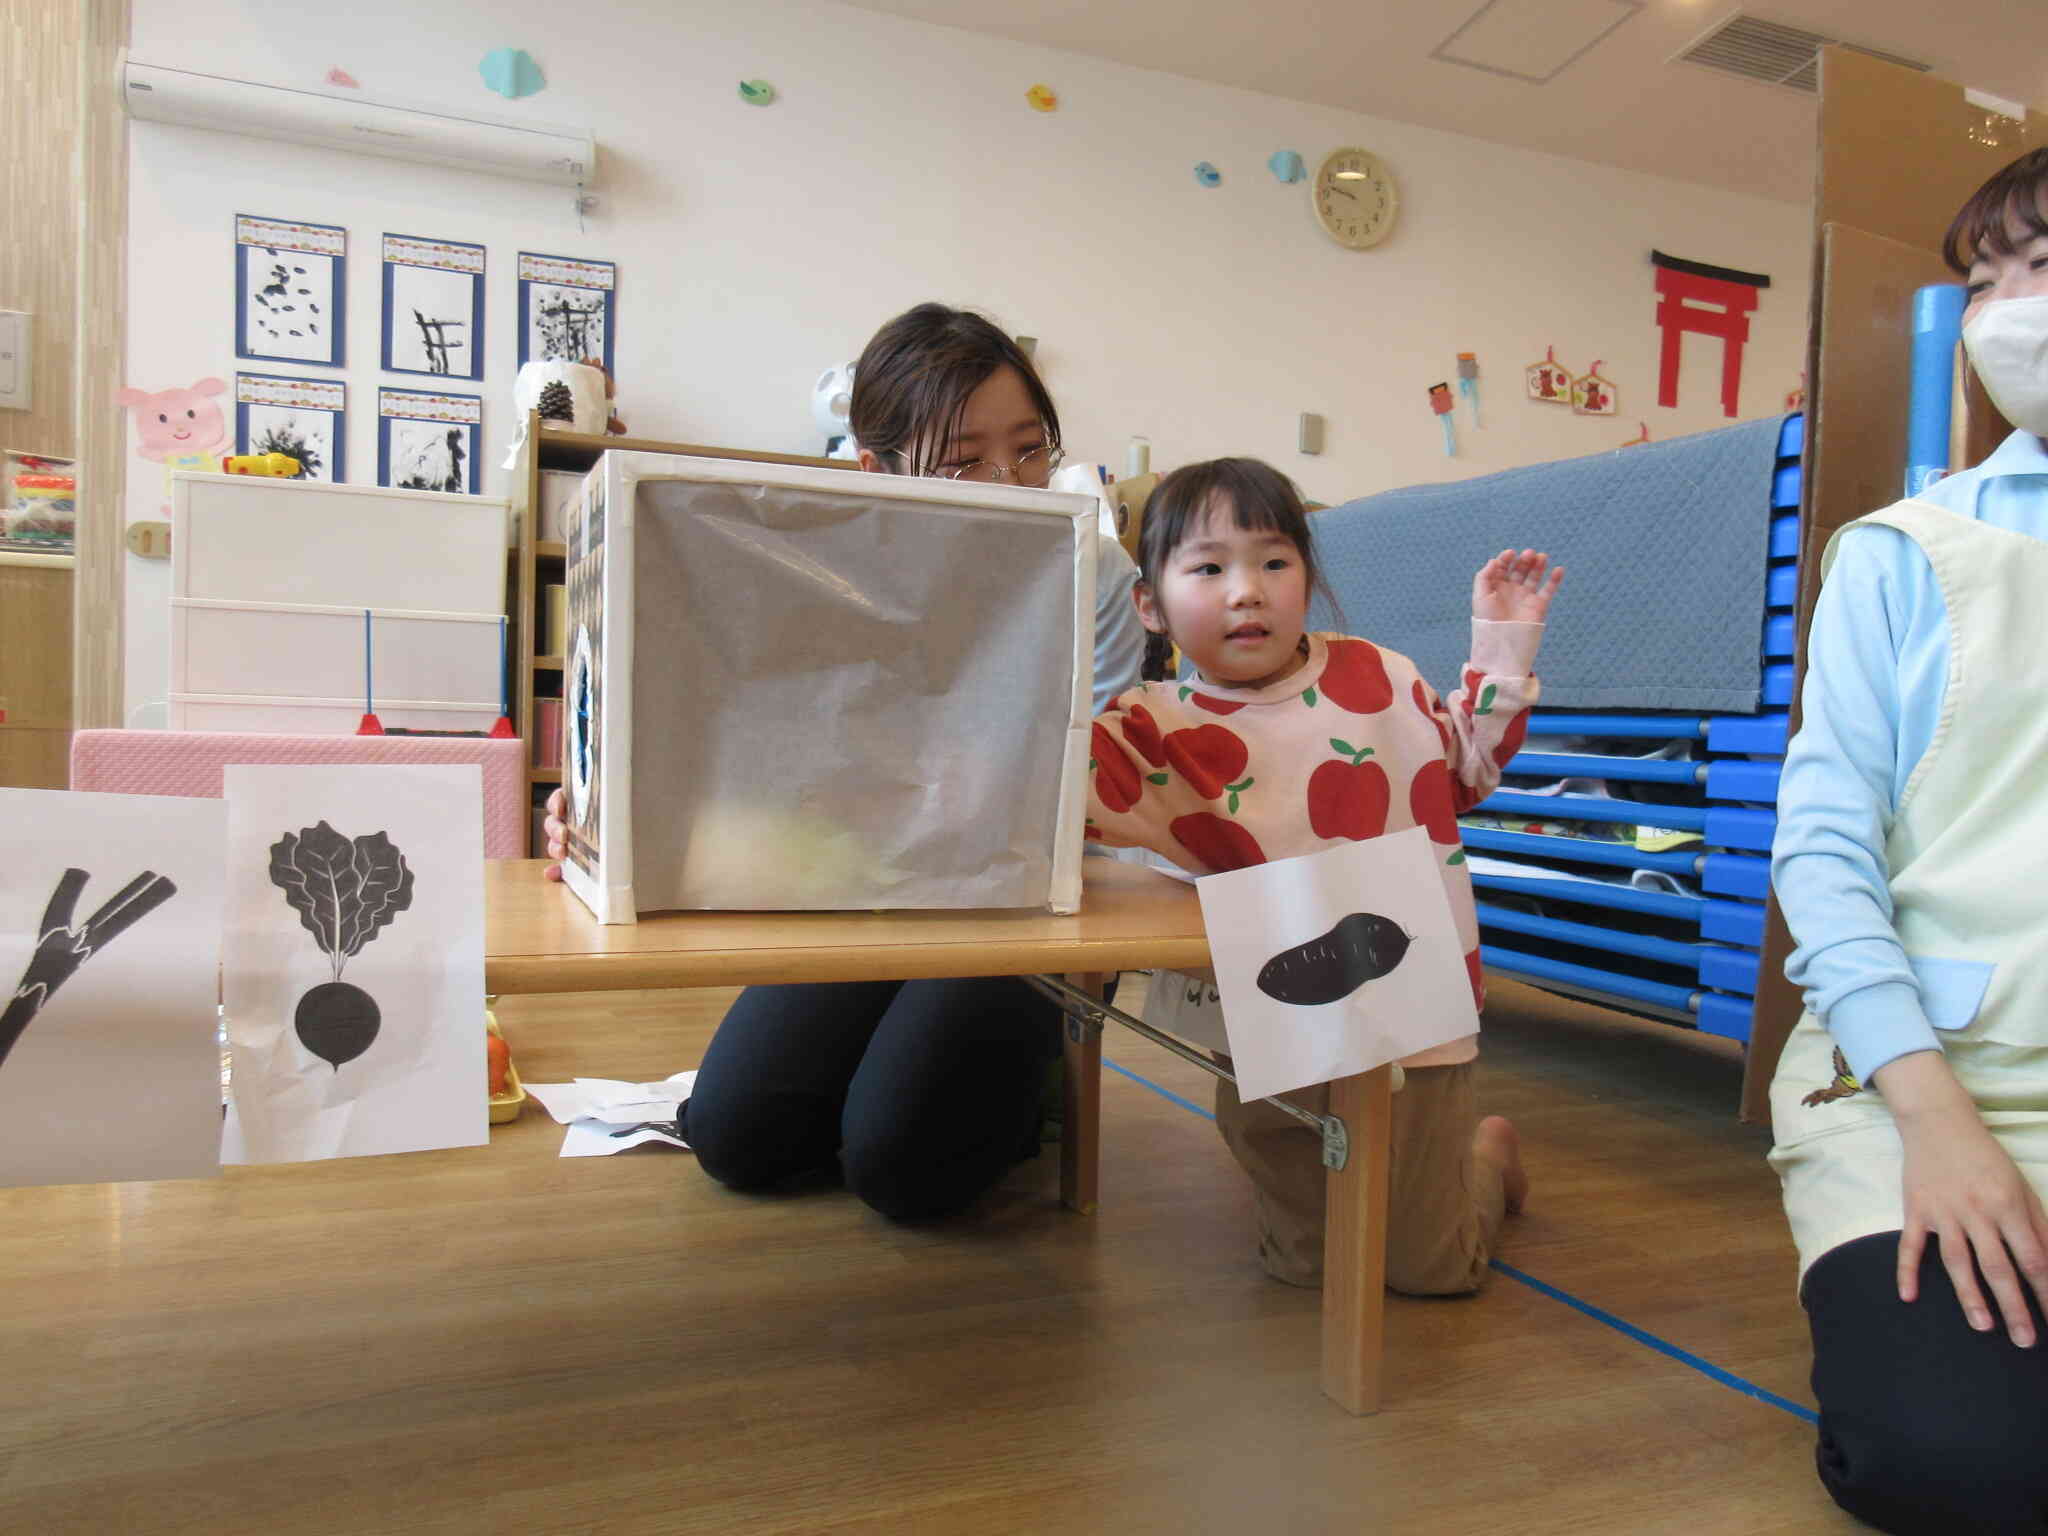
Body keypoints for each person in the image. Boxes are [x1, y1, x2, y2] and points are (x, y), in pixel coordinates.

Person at [542, 303, 1147, 1223]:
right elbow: (740, 749)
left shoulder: (1093, 572)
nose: (1011, 482)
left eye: (1029, 450)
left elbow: (1099, 784)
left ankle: (1029, 1081)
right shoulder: (822, 562)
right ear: (877, 469)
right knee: (735, 1139)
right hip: (864, 885)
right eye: (962, 460)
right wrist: (594, 809)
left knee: (905, 1171)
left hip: (1014, 911)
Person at [1083, 457, 1559, 1293]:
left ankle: (1485, 1155)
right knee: (1310, 1264)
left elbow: (1469, 774)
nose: (1247, 591)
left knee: (1429, 1270)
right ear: (1150, 605)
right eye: (1208, 568)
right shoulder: (1148, 727)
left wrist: (1502, 649)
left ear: (1307, 574)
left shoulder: (1383, 676)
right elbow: (1054, 793)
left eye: (1274, 562)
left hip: (1413, 1007)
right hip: (1271, 1018)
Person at [1768, 145, 2048, 1534]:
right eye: (1987, 277)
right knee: (1965, 1464)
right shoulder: (1906, 555)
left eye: (2041, 267)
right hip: (1918, 1082)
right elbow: (1822, 852)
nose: (2006, 311)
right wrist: (1937, 1119)